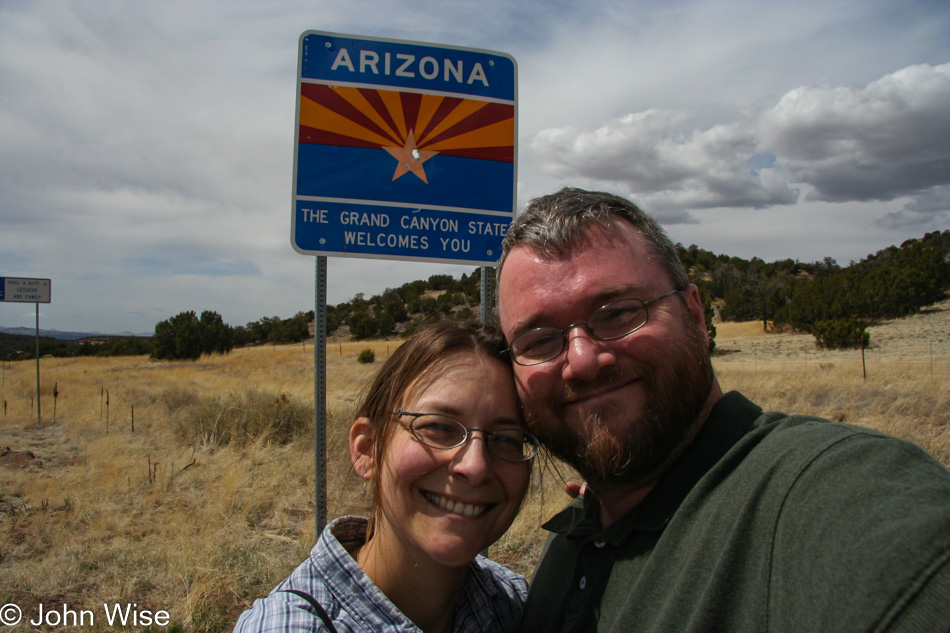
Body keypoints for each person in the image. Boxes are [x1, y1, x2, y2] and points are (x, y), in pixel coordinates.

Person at [496, 187, 950, 632]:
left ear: (695, 315)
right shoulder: (572, 541)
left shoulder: (831, 493)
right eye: (539, 341)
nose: (582, 361)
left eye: (618, 313)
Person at [233, 320, 539, 633]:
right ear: (367, 450)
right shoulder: (290, 626)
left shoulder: (513, 602)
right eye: (438, 427)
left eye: (506, 438)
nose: (475, 467)